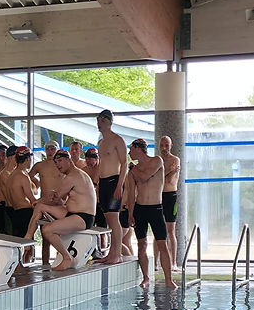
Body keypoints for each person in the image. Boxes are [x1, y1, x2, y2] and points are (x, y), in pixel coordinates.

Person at [127, 139, 177, 288]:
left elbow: (144, 176)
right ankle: (146, 278)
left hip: (156, 208)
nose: (129, 153)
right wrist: (130, 213)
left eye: (131, 149)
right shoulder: (132, 171)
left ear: (138, 149)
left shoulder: (157, 161)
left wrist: (132, 169)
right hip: (140, 209)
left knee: (162, 244)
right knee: (141, 245)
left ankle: (169, 280)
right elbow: (131, 194)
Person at [38, 150, 98, 271]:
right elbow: (60, 200)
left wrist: (40, 201)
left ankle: (67, 258)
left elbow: (55, 199)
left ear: (68, 160)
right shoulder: (76, 174)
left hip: (82, 217)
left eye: (60, 161)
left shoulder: (73, 176)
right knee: (41, 207)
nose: (58, 165)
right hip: (74, 214)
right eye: (55, 163)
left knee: (47, 230)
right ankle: (28, 237)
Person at [93, 109, 128, 264]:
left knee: (114, 218)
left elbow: (125, 163)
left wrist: (120, 185)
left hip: (115, 181)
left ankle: (118, 254)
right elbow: (101, 165)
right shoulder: (101, 143)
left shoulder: (117, 140)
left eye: (101, 121)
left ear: (108, 122)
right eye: (98, 121)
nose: (98, 124)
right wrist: (98, 185)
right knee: (108, 218)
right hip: (104, 182)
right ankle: (111, 253)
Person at [6, 147, 38, 239]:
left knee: (20, 243)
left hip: (15, 212)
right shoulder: (23, 176)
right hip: (25, 213)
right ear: (28, 159)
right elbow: (32, 200)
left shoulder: (11, 176)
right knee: (28, 244)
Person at [159, 135, 181, 265]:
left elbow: (168, 180)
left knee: (170, 231)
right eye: (162, 145)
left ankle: (173, 263)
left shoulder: (175, 159)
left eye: (166, 145)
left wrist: (168, 173)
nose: (164, 148)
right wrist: (170, 171)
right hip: (159, 196)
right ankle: (156, 263)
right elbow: (162, 178)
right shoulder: (157, 161)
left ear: (171, 146)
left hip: (171, 196)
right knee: (158, 231)